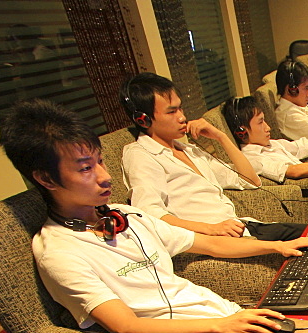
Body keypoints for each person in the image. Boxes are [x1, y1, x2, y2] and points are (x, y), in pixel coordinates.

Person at [0, 98, 308, 333]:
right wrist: (222, 326)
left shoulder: (123, 216)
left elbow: (211, 243)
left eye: (100, 162)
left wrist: (279, 245)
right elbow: (128, 328)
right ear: (45, 178)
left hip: (227, 316)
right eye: (86, 169)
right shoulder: (58, 252)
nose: (105, 176)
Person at [118, 73, 298, 240]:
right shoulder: (141, 155)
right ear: (143, 119)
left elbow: (251, 181)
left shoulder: (189, 150)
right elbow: (149, 214)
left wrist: (221, 137)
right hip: (217, 239)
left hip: (244, 227)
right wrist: (210, 228)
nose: (182, 117)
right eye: (172, 112)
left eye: (180, 109)